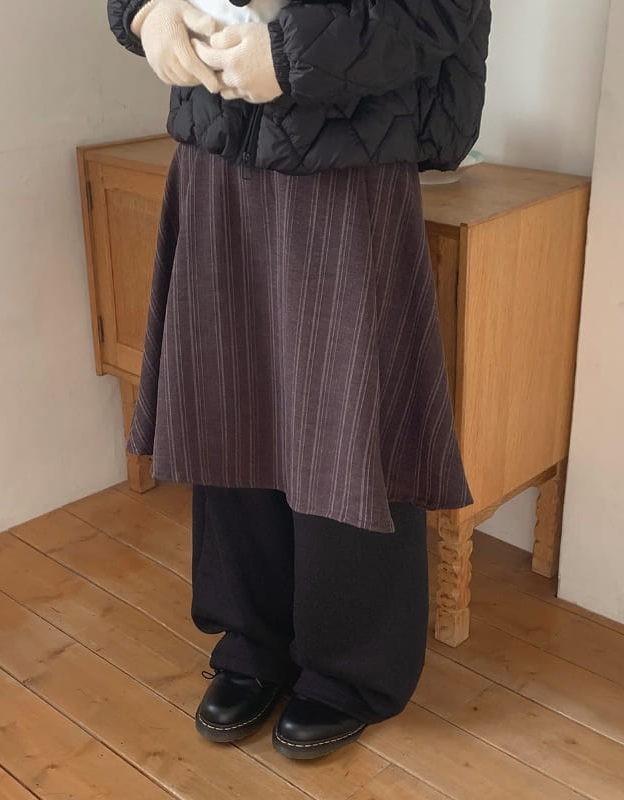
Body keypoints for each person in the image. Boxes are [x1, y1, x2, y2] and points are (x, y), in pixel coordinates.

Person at [107, 0, 491, 760]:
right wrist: (146, 12)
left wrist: (293, 56)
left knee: (345, 411)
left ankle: (350, 668)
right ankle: (252, 639)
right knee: (230, 403)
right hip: (215, 146)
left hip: (347, 145)